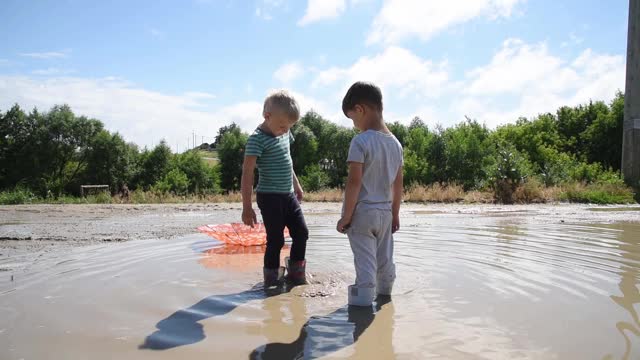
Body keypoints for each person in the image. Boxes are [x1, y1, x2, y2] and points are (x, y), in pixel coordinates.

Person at [336, 82, 404, 306]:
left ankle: (361, 316)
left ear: (361, 109)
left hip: (362, 214)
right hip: (385, 213)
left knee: (365, 266)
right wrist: (395, 215)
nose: (355, 125)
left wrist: (346, 217)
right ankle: (385, 302)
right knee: (385, 262)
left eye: (353, 118)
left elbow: (354, 183)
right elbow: (398, 185)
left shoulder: (360, 141)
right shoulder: (396, 144)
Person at [241, 90, 309, 287]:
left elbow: (287, 160)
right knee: (276, 240)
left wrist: (296, 183)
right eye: (282, 126)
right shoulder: (256, 139)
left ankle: (296, 275)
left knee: (301, 233)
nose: (285, 130)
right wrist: (247, 207)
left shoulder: (285, 132)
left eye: (288, 127)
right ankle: (272, 281)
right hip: (269, 197)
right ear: (267, 116)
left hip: (288, 195)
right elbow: (247, 174)